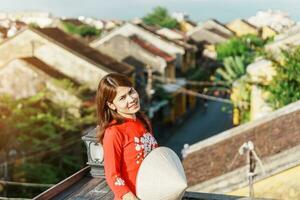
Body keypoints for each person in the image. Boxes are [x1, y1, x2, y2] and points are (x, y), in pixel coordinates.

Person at [96, 73, 158, 200]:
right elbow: (113, 175)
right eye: (122, 98)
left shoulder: (143, 120)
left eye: (131, 91)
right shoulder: (114, 132)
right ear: (111, 105)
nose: (131, 99)